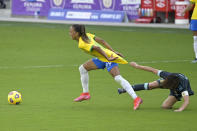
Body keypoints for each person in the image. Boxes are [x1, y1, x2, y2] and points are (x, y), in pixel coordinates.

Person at [69, 24, 142, 110]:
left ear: (77, 33)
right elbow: (102, 41)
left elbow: (97, 48)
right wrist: (113, 51)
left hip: (107, 57)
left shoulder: (82, 44)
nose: (69, 34)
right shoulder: (87, 35)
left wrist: (109, 57)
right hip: (102, 58)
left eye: (71, 32)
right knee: (82, 68)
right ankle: (85, 94)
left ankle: (136, 98)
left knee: (117, 78)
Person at [118, 62, 194, 112]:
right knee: (151, 85)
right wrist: (137, 66)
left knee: (165, 106)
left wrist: (180, 110)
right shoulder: (167, 76)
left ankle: (173, 100)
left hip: (177, 91)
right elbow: (152, 70)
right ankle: (125, 89)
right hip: (171, 82)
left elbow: (186, 101)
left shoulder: (182, 88)